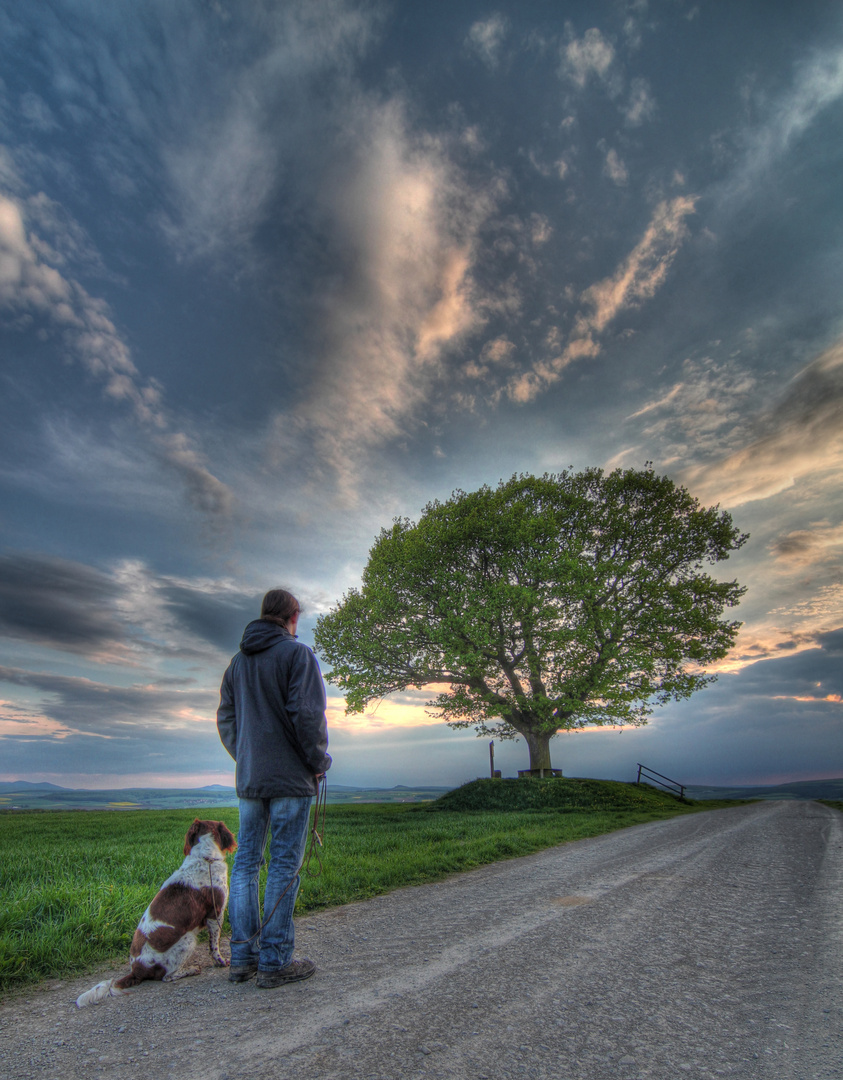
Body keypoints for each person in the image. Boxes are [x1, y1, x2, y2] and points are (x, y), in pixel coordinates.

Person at [217, 588, 331, 988]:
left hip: (251, 779)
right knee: (283, 864)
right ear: (292, 616)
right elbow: (308, 715)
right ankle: (275, 960)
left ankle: (241, 958)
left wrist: (246, 756)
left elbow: (226, 720)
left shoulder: (236, 664)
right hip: (289, 779)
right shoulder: (299, 655)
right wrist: (318, 763)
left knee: (247, 865)